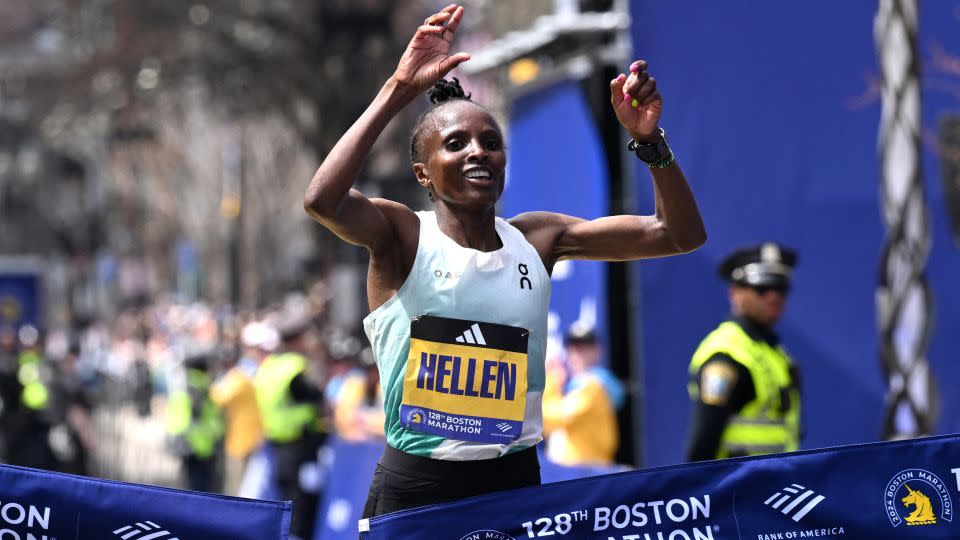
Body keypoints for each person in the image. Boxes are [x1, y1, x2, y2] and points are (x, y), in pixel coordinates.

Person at [303, 3, 705, 518]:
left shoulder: (538, 239)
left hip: (513, 479)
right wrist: (399, 87)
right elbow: (323, 201)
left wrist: (650, 142)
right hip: (419, 485)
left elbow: (679, 234)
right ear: (423, 174)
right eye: (455, 144)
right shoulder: (402, 235)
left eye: (490, 142)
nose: (478, 152)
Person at [686, 243, 801, 462]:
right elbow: (704, 441)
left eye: (780, 287)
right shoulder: (726, 354)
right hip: (737, 488)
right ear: (734, 292)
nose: (773, 296)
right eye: (762, 287)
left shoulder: (773, 350)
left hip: (772, 485)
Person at [253, 316, 326, 538]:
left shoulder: (267, 367)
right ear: (297, 341)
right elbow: (313, 395)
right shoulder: (294, 366)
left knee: (286, 500)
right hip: (299, 445)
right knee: (301, 502)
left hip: (276, 445)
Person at [542, 323, 626, 466]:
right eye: (573, 347)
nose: (577, 353)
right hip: (576, 472)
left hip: (587, 472)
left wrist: (549, 381)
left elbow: (554, 417)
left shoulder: (593, 385)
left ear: (597, 350)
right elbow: (546, 426)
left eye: (584, 347)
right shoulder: (572, 387)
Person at [209, 324, 266, 496]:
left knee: (237, 488)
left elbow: (217, 398)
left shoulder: (238, 378)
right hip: (250, 437)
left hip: (242, 440)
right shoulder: (246, 375)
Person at [165, 351, 224, 492]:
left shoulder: (182, 388)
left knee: (189, 489)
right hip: (201, 447)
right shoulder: (202, 387)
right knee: (202, 490)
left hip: (187, 446)